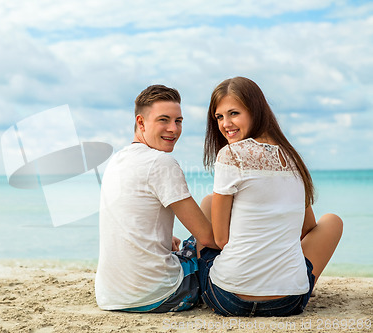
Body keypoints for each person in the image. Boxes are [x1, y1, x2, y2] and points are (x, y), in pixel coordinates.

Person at [197, 76, 343, 316]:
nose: (225, 124)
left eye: (234, 113)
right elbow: (307, 228)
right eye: (219, 117)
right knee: (332, 222)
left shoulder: (230, 154)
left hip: (229, 299)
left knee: (207, 204)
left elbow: (222, 241)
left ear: (255, 111)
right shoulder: (293, 158)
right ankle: (286, 280)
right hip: (288, 301)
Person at [95, 84, 218, 313]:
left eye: (178, 121)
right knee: (210, 208)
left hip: (111, 295)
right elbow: (208, 237)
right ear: (141, 122)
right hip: (160, 294)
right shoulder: (161, 163)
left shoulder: (117, 160)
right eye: (164, 120)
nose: (173, 129)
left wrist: (160, 236)